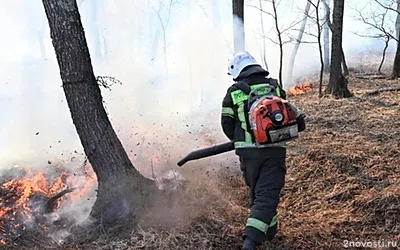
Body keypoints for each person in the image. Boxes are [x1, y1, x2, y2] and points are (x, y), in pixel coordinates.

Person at [220, 51, 305, 250]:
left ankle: (269, 232)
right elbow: (289, 116)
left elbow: (226, 124)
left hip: (247, 154)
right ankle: (250, 242)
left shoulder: (233, 92)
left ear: (237, 71)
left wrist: (241, 140)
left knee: (259, 194)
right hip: (274, 150)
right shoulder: (274, 86)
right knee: (267, 195)